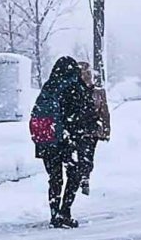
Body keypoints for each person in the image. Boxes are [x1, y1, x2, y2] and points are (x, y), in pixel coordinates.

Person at [31, 56, 95, 228]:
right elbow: (82, 113)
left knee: (55, 177)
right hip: (67, 139)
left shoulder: (49, 86)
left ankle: (54, 213)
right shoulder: (74, 86)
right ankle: (65, 211)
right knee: (74, 173)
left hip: (47, 139)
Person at [77, 61, 111, 196]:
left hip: (92, 129)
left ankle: (85, 177)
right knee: (81, 154)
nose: (86, 76)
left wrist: (106, 130)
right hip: (77, 129)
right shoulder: (74, 91)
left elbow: (104, 112)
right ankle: (82, 177)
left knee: (88, 155)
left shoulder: (98, 92)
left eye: (88, 73)